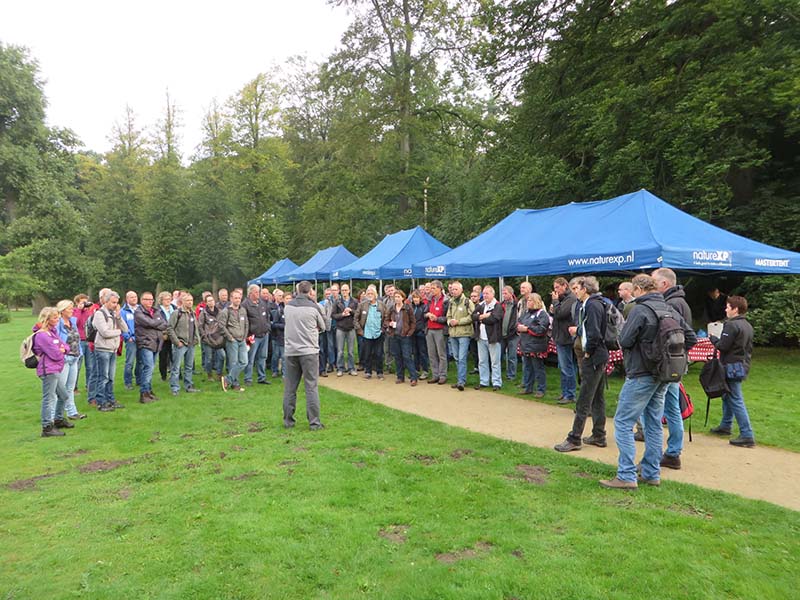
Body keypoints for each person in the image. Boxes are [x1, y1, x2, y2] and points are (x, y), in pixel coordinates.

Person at [600, 275, 696, 490]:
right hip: (663, 375)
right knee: (653, 422)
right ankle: (651, 472)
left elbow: (624, 340)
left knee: (623, 422)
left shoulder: (640, 310)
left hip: (641, 373)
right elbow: (690, 338)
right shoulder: (670, 309)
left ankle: (626, 475)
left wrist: (647, 349)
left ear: (637, 289)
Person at [554, 276, 609, 452]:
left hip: (593, 356)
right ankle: (599, 434)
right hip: (597, 355)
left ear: (585, 289)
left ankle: (574, 438)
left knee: (584, 399)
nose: (574, 291)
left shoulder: (592, 305)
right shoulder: (593, 304)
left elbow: (594, 332)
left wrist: (588, 352)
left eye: (577, 288)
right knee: (597, 397)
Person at [652, 268, 694, 468]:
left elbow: (682, 336)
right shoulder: (680, 301)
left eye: (654, 282)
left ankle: (670, 452)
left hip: (669, 365)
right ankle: (673, 452)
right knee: (671, 408)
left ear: (664, 284)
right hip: (676, 363)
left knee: (665, 407)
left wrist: (672, 356)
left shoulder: (672, 304)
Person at [710, 295, 756, 447]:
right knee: (727, 395)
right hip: (742, 364)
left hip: (731, 365)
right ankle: (725, 425)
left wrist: (713, 340)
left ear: (735, 309)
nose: (725, 309)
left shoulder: (731, 325)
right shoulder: (747, 325)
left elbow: (723, 346)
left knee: (735, 398)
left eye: (728, 307)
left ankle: (747, 434)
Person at [283, 281, 326, 430]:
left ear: (297, 291)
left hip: (290, 351)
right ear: (310, 292)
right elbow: (324, 326)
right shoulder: (314, 307)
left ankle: (288, 421)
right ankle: (314, 423)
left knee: (290, 388)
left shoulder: (287, 307)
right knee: (311, 387)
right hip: (309, 351)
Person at [32, 307, 71, 436]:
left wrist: (62, 349)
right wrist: (61, 350)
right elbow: (55, 353)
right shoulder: (42, 335)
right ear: (47, 319)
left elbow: (65, 346)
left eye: (58, 317)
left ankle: (58, 419)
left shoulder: (52, 332)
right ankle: (47, 427)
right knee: (48, 398)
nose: (58, 319)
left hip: (55, 368)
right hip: (48, 370)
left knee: (64, 395)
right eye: (55, 317)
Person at [93, 290, 128, 412]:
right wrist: (118, 332)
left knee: (111, 377)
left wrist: (118, 316)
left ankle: (110, 400)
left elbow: (125, 328)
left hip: (112, 349)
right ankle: (101, 402)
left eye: (116, 303)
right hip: (102, 349)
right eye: (113, 302)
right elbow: (105, 332)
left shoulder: (113, 314)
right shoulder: (99, 314)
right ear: (106, 301)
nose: (115, 305)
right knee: (103, 377)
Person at [54, 300, 86, 420]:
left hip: (75, 357)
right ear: (62, 311)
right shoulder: (57, 324)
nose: (72, 311)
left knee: (70, 387)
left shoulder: (73, 322)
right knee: (61, 388)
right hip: (64, 359)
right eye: (69, 309)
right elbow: (55, 341)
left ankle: (72, 412)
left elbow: (77, 339)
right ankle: (57, 415)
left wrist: (80, 354)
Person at [134, 291, 168, 403]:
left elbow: (165, 324)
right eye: (147, 299)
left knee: (150, 368)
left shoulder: (156, 311)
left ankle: (148, 390)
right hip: (146, 343)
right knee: (148, 367)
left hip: (157, 343)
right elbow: (149, 323)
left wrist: (154, 323)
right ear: (142, 300)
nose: (150, 302)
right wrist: (155, 323)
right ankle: (144, 393)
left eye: (151, 299)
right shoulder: (138, 312)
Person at [167, 292, 202, 396]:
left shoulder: (193, 313)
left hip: (191, 344)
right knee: (176, 367)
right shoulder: (177, 313)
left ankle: (189, 386)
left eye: (191, 300)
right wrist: (177, 342)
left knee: (189, 367)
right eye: (187, 300)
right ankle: (175, 388)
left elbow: (195, 327)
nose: (190, 302)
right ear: (182, 302)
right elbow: (170, 328)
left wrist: (196, 339)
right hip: (180, 344)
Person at [516, 293, 550, 398]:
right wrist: (519, 327)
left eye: (530, 300)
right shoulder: (526, 313)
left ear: (536, 301)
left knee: (538, 368)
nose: (528, 302)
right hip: (525, 344)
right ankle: (528, 387)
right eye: (528, 300)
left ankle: (541, 389)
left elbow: (541, 329)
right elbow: (519, 322)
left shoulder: (542, 314)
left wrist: (527, 329)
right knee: (527, 368)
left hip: (537, 346)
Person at [550, 277, 578, 404]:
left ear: (564, 286)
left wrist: (555, 303)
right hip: (560, 335)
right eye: (554, 288)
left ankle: (570, 394)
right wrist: (553, 310)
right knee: (563, 366)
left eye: (557, 287)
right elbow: (557, 315)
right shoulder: (563, 299)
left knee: (567, 366)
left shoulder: (570, 298)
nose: (555, 290)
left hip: (566, 337)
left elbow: (561, 314)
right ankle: (565, 391)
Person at [472, 285, 504, 390]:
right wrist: (483, 316)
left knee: (495, 361)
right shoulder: (481, 305)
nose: (485, 295)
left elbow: (494, 318)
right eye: (484, 293)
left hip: (493, 337)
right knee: (482, 361)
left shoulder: (497, 306)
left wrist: (482, 318)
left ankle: (496, 382)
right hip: (481, 337)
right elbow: (473, 316)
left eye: (487, 293)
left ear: (492, 294)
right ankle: (484, 381)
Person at [446, 281, 475, 391]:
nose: (453, 291)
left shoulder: (468, 301)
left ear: (461, 290)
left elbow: (472, 316)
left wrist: (458, 321)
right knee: (456, 357)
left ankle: (461, 381)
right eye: (452, 289)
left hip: (464, 333)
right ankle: (460, 379)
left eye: (456, 289)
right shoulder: (451, 302)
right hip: (453, 333)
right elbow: (448, 316)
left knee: (462, 357)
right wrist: (450, 322)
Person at [355, 285, 388, 380]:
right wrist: (360, 330)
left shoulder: (381, 305)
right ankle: (368, 372)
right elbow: (356, 318)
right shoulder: (362, 305)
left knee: (378, 354)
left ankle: (379, 372)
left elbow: (386, 318)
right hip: (366, 334)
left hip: (378, 334)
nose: (369, 295)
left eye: (371, 293)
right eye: (368, 293)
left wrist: (383, 329)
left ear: (376, 295)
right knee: (367, 353)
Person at [386, 289, 418, 385]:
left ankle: (413, 377)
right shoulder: (392, 308)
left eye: (398, 297)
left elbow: (413, 322)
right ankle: (400, 377)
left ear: (403, 298)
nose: (396, 299)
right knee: (397, 357)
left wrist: (410, 332)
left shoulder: (408, 308)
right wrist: (389, 323)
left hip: (405, 336)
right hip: (394, 335)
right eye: (395, 297)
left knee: (407, 356)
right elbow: (386, 320)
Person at [220, 289, 249, 392]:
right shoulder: (226, 311)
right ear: (231, 299)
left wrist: (245, 336)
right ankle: (235, 384)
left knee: (244, 362)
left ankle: (227, 379)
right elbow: (221, 326)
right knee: (233, 362)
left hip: (242, 340)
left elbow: (246, 324)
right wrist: (230, 337)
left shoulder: (243, 310)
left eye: (239, 298)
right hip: (232, 340)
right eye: (235, 298)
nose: (238, 300)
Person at [242, 284, 271, 386]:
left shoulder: (262, 303)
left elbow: (267, 316)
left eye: (258, 292)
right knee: (250, 358)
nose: (258, 294)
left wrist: (268, 327)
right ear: (250, 293)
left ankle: (261, 377)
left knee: (263, 357)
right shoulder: (245, 305)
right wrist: (248, 334)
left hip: (264, 334)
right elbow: (244, 321)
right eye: (256, 292)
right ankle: (248, 379)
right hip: (252, 336)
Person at [198, 294, 226, 383]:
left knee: (222, 356)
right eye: (209, 301)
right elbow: (200, 326)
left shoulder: (220, 312)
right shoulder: (203, 313)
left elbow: (222, 324)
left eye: (212, 300)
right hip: (208, 339)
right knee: (209, 358)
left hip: (218, 339)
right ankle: (209, 374)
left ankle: (219, 373)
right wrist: (204, 336)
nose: (211, 302)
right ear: (206, 303)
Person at [332, 284, 359, 376]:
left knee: (351, 351)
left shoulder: (355, 301)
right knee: (340, 351)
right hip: (340, 328)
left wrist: (351, 310)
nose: (344, 292)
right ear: (340, 291)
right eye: (343, 290)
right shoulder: (337, 302)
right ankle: (340, 368)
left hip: (351, 328)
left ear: (349, 291)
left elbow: (358, 314)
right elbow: (333, 315)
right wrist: (342, 315)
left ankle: (351, 368)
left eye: (346, 290)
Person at [72, 293, 95, 397]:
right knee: (77, 365)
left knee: (90, 365)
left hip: (88, 340)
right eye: (82, 302)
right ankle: (74, 387)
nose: (84, 304)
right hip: (79, 340)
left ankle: (89, 385)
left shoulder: (89, 312)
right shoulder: (73, 312)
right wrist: (80, 310)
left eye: (86, 302)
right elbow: (75, 322)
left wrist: (90, 310)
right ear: (77, 303)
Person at [120, 290, 141, 391]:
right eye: (132, 297)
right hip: (131, 339)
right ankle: (128, 382)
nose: (134, 299)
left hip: (141, 338)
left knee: (141, 361)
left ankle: (139, 379)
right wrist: (128, 337)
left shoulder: (140, 309)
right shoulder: (123, 311)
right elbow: (121, 325)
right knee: (130, 362)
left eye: (135, 297)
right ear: (127, 299)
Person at [500, 285, 519, 381]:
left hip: (513, 334)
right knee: (499, 355)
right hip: (502, 334)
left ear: (511, 294)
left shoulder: (517, 304)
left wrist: (515, 329)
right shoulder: (501, 304)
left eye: (505, 293)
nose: (503, 295)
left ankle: (511, 375)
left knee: (512, 356)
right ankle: (498, 374)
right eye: (503, 293)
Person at [409, 290, 429, 379]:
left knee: (422, 352)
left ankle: (425, 370)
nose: (415, 299)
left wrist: (423, 329)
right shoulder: (410, 307)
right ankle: (416, 370)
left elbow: (425, 320)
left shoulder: (424, 307)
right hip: (412, 332)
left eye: (417, 297)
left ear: (420, 298)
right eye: (414, 298)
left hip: (421, 332)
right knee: (415, 352)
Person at [157, 291, 174, 382]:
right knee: (163, 356)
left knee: (174, 355)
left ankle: (176, 374)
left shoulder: (174, 308)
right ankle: (163, 376)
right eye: (166, 299)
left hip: (174, 335)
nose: (168, 301)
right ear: (161, 300)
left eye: (169, 299)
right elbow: (157, 323)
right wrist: (164, 332)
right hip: (163, 336)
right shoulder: (158, 310)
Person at [270, 289, 287, 378]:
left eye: (282, 296)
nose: (281, 297)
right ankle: (275, 370)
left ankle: (285, 373)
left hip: (286, 336)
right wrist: (284, 326)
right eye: (279, 296)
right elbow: (273, 324)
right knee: (276, 355)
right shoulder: (278, 310)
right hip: (276, 336)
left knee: (284, 356)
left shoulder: (288, 309)